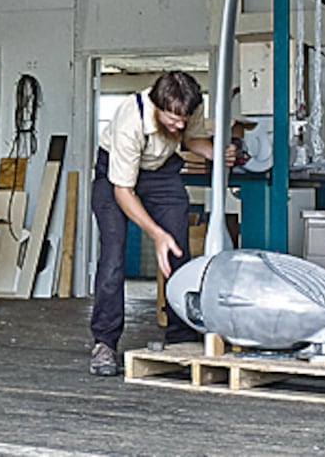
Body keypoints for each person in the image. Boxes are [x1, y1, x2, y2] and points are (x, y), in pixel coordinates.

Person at [89, 71, 236, 376]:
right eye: (172, 119)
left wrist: (215, 152)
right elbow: (123, 191)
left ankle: (180, 336)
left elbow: (190, 136)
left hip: (161, 172)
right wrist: (156, 234)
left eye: (184, 118)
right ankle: (104, 342)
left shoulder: (187, 108)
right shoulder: (131, 118)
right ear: (157, 106)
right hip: (115, 178)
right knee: (114, 256)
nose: (179, 125)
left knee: (178, 250)